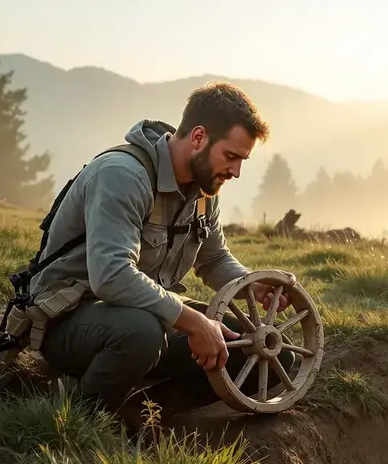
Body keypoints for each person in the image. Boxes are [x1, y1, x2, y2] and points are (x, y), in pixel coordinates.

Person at [29, 81, 296, 431]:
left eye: (242, 160)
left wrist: (253, 286)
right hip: (70, 318)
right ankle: (81, 423)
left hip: (147, 314)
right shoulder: (122, 176)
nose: (236, 172)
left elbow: (214, 260)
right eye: (231, 157)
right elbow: (111, 276)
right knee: (141, 334)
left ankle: (142, 413)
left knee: (271, 355)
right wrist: (194, 322)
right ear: (198, 137)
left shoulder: (204, 190)